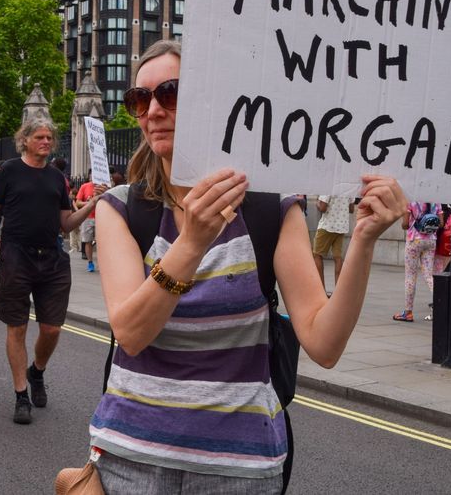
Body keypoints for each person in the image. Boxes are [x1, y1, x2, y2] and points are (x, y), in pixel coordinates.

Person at [89, 40, 404, 492]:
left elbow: (325, 344)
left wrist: (364, 240)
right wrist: (192, 242)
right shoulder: (121, 208)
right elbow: (132, 334)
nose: (153, 111)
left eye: (170, 93)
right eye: (140, 99)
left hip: (240, 470)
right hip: (131, 462)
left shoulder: (270, 209)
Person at [0, 120, 100, 425]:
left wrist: (91, 205)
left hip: (52, 259)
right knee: (17, 327)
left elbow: (66, 224)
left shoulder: (58, 178)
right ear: (25, 140)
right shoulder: (10, 171)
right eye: (40, 137)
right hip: (16, 256)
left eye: (49, 137)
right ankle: (21, 395)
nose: (46, 141)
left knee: (52, 329)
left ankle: (37, 371)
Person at [394, 201, 441, 322]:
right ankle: (441, 304)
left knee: (410, 276)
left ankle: (408, 313)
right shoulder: (437, 201)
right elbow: (440, 223)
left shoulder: (411, 201)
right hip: (431, 241)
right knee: (429, 276)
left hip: (414, 240)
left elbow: (405, 224)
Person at [313, 195, 352, 293]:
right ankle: (339, 292)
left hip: (327, 226)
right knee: (338, 257)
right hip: (341, 227)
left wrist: (317, 203)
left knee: (317, 255)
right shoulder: (348, 188)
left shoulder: (329, 187)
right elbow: (351, 209)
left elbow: (322, 208)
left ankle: (321, 290)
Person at [75, 178, 100, 272]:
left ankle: (102, 264)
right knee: (87, 241)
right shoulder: (84, 186)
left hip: (100, 217)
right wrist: (89, 203)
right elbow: (78, 203)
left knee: (101, 242)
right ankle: (90, 263)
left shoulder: (104, 187)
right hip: (87, 217)